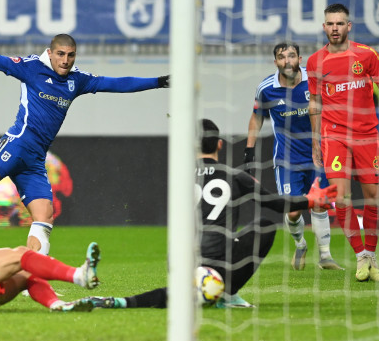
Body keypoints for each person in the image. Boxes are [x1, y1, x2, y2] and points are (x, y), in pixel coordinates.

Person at [0, 34, 169, 255]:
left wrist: (158, 82)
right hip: (19, 142)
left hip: (36, 159)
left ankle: (33, 278)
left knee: (45, 217)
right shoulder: (32, 68)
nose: (66, 60)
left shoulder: (78, 80)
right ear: (50, 53)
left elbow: (117, 83)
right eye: (61, 54)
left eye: (71, 55)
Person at [80, 119, 337, 309]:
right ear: (220, 144)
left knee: (178, 290)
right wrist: (309, 201)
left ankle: (123, 302)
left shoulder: (180, 176)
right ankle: (228, 294)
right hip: (219, 263)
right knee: (265, 226)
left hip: (180, 263)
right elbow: (276, 204)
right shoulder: (236, 176)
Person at [307, 3, 379, 282]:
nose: (335, 28)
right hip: (334, 135)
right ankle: (360, 255)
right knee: (341, 196)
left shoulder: (366, 55)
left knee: (374, 198)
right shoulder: (315, 62)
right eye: (330, 23)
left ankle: (372, 256)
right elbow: (315, 102)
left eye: (340, 23)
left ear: (349, 26)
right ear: (324, 27)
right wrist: (316, 140)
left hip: (366, 135)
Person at [244, 42, 342, 271]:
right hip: (287, 159)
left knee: (320, 204)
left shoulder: (314, 81)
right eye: (281, 57)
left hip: (317, 155)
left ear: (300, 58)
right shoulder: (266, 88)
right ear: (275, 62)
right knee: (293, 210)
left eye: (291, 56)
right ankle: (300, 244)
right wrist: (249, 152)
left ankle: (325, 256)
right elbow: (256, 117)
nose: (287, 61)